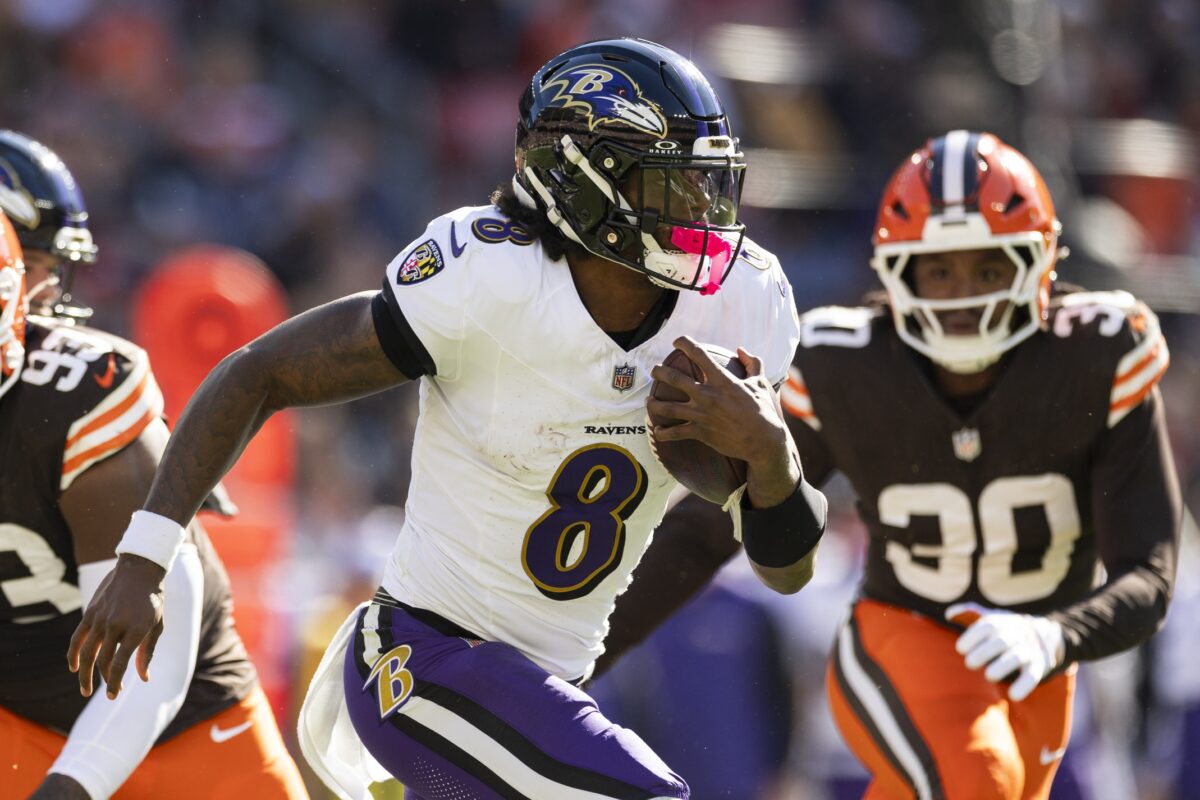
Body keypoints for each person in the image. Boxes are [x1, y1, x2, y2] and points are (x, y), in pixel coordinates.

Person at [68, 38, 827, 800]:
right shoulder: (489, 280)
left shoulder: (743, 302)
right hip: (418, 659)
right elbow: (258, 372)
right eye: (671, 186)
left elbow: (786, 570)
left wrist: (771, 461)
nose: (702, 211)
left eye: (705, 182)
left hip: (542, 687)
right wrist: (145, 557)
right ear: (580, 180)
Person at [600, 130, 1182, 800]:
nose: (963, 296)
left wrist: (1057, 634)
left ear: (1040, 264)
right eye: (939, 269)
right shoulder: (846, 364)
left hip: (1036, 668)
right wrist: (581, 653)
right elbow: (709, 531)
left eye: (989, 267)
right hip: (904, 639)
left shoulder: (1097, 354)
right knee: (977, 782)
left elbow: (1150, 572)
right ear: (896, 271)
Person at [0, 131, 308, 800]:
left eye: (47, 266)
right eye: (41, 262)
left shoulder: (78, 395)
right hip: (14, 719)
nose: (50, 287)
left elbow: (152, 664)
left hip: (189, 728)